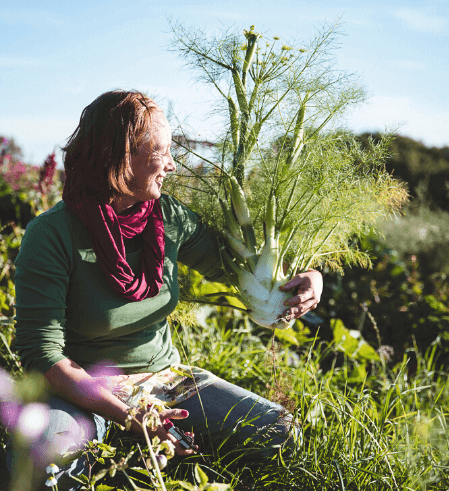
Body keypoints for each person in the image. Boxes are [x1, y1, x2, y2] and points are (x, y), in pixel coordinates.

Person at [9, 90, 323, 490]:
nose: (173, 166)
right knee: (41, 459)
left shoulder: (169, 218)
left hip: (165, 379)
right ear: (119, 158)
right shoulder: (51, 235)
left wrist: (312, 277)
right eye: (161, 152)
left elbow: (240, 268)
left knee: (281, 433)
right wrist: (130, 416)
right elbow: (43, 356)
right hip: (83, 388)